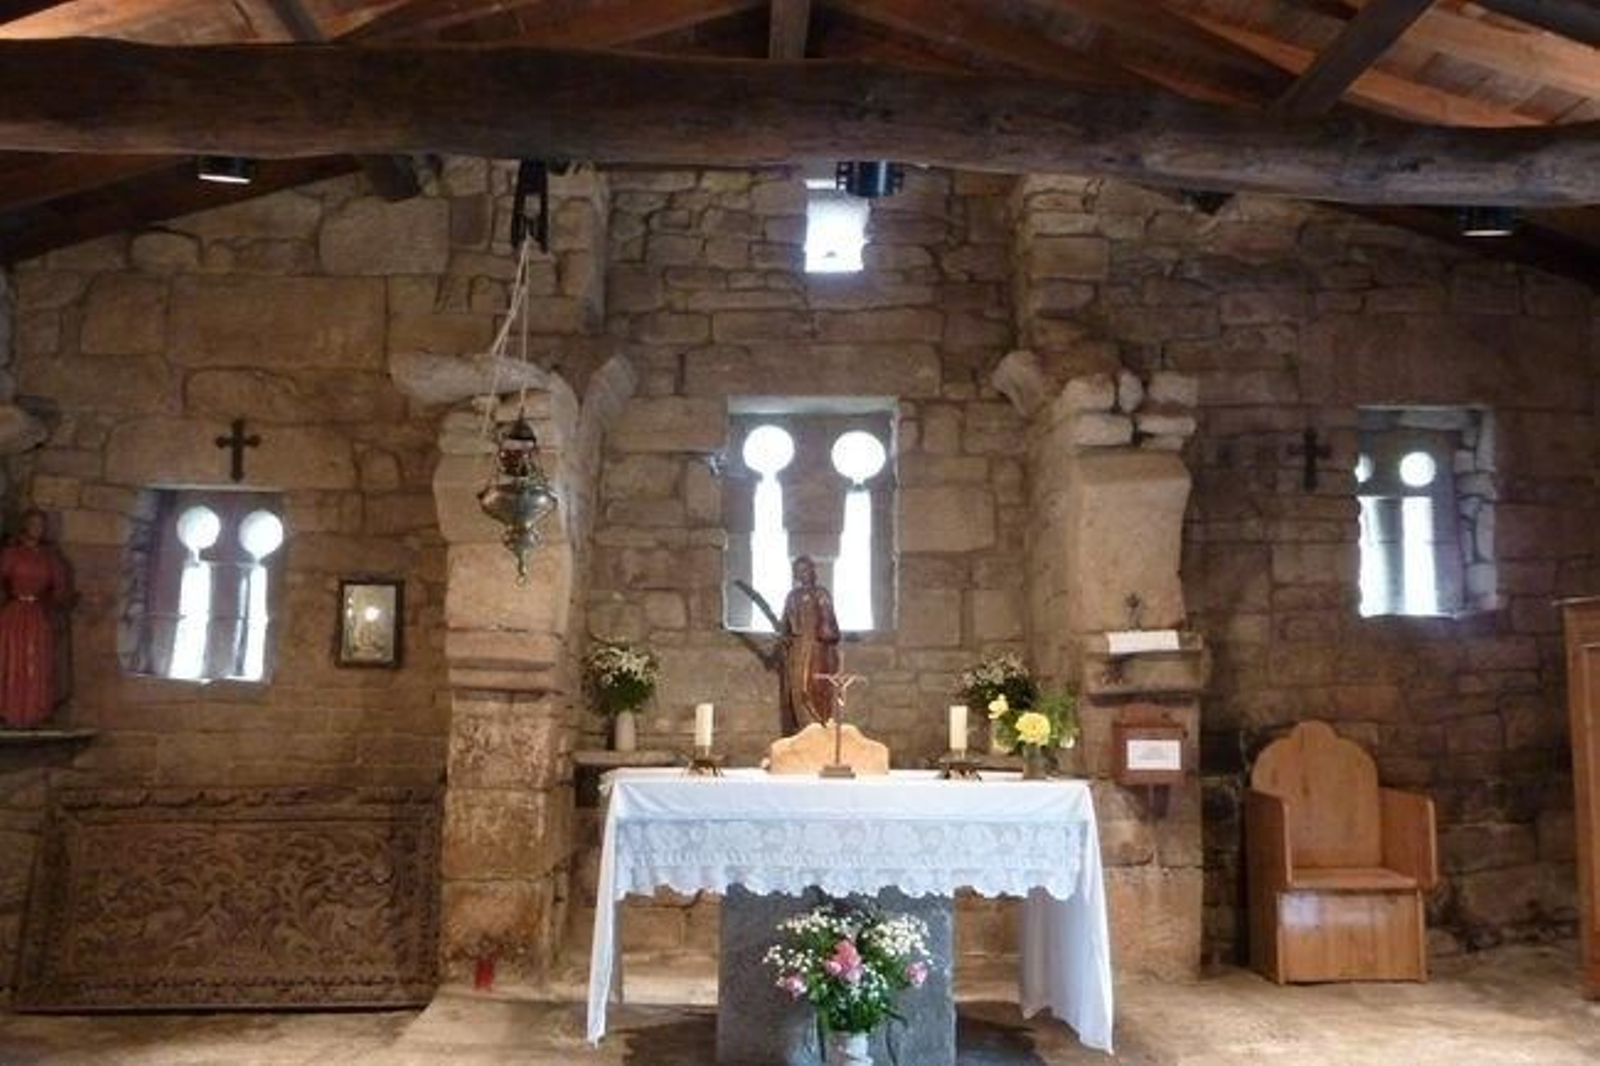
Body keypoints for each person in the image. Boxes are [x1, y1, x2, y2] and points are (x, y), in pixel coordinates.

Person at [0, 509, 69, 729]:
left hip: (37, 616)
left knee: (36, 663)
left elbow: (60, 590)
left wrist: (55, 602)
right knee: (10, 658)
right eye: (33, 523)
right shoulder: (11, 553)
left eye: (41, 524)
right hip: (13, 613)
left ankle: (34, 713)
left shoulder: (50, 558)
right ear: (25, 525)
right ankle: (6, 711)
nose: (37, 528)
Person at [778, 555, 841, 735]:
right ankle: (801, 731)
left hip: (816, 650)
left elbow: (831, 630)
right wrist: (785, 637)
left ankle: (818, 729)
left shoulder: (821, 593)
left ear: (813, 571)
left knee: (813, 688)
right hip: (796, 651)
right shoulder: (791, 596)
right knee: (796, 690)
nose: (803, 574)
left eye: (806, 570)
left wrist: (824, 626)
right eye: (799, 571)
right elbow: (785, 626)